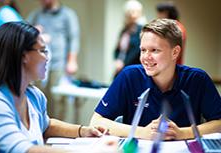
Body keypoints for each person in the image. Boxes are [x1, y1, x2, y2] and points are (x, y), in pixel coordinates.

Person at [0, 21, 119, 153]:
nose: (47, 58)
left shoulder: (33, 95)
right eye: (42, 51)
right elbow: (22, 150)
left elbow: (46, 126)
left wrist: (83, 131)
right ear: (24, 56)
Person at [90, 19, 221, 140]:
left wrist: (182, 133)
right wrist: (143, 132)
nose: (146, 57)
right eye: (143, 50)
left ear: (175, 52)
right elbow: (96, 121)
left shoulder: (197, 79)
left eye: (154, 50)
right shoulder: (129, 76)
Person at [27, 0, 80, 119]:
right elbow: (23, 32)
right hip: (39, 65)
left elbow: (74, 39)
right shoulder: (36, 14)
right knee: (40, 97)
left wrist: (72, 61)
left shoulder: (67, 15)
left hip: (59, 65)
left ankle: (58, 130)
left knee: (58, 102)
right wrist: (35, 32)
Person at [114, 0, 147, 78]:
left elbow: (137, 50)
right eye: (129, 12)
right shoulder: (124, 30)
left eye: (133, 11)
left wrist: (123, 63)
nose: (131, 14)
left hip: (133, 68)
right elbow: (117, 49)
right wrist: (117, 60)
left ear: (140, 13)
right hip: (121, 68)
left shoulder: (142, 30)